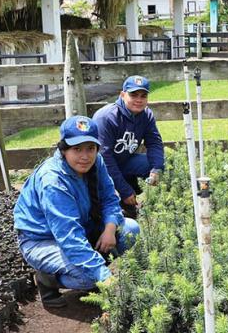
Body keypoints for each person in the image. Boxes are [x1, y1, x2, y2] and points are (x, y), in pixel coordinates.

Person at [14, 116, 140, 308]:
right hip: (42, 240)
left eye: (90, 148)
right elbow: (69, 236)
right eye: (77, 149)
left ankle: (93, 262)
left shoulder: (96, 162)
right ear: (63, 149)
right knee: (89, 278)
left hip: (82, 225)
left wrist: (109, 229)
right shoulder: (53, 181)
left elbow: (109, 198)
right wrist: (105, 277)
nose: (85, 156)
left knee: (131, 230)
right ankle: (47, 279)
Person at [92, 75, 164, 217]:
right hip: (98, 169)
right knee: (107, 195)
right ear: (122, 95)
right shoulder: (106, 118)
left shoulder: (146, 115)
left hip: (124, 162)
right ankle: (119, 207)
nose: (139, 100)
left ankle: (154, 204)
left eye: (143, 96)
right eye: (133, 95)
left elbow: (154, 142)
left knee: (155, 164)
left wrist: (157, 169)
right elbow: (104, 158)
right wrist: (124, 190)